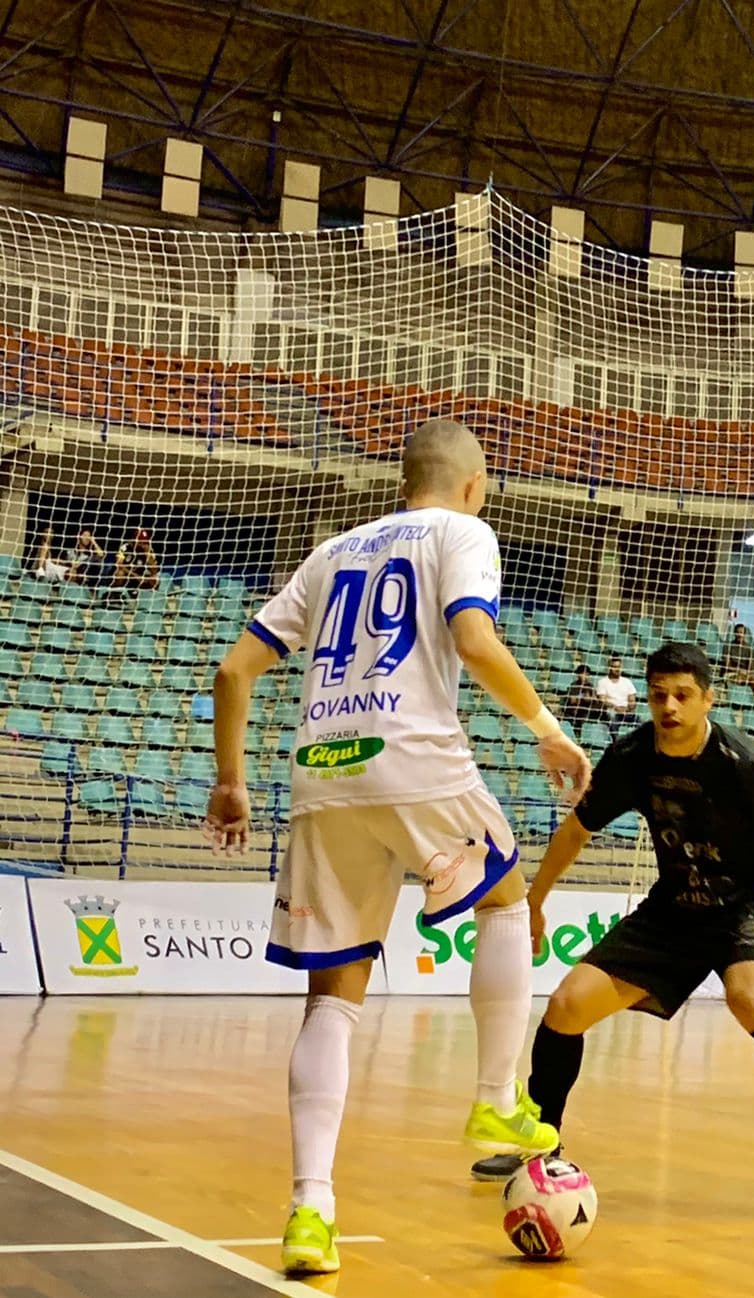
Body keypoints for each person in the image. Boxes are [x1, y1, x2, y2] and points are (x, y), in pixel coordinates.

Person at [203, 418, 593, 1276]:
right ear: (471, 483)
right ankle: (495, 1100)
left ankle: (311, 1212)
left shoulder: (331, 549)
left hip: (321, 776)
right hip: (413, 757)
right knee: (504, 895)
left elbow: (234, 672)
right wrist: (548, 730)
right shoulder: (464, 531)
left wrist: (231, 783)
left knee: (331, 1004)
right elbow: (475, 639)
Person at [466, 642, 754, 1209]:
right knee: (565, 1007)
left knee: (750, 999)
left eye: (683, 696)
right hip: (672, 910)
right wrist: (533, 902)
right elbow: (576, 830)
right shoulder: (631, 757)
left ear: (708, 698)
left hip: (744, 907)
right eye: (659, 695)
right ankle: (539, 1143)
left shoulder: (744, 765)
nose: (670, 707)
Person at [594, 654, 637, 738]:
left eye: (619, 667)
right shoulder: (602, 682)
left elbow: (632, 700)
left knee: (640, 722)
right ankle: (616, 743)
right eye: (614, 667)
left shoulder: (627, 682)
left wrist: (627, 708)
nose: (617, 669)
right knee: (612, 718)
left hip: (625, 711)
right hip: (611, 711)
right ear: (609, 668)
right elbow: (603, 700)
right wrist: (616, 707)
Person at [562, 663, 603, 728]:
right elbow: (572, 700)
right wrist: (583, 698)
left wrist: (591, 699)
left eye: (587, 674)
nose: (585, 676)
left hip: (587, 710)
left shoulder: (590, 686)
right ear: (578, 675)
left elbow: (595, 699)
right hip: (575, 710)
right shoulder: (574, 685)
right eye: (583, 674)